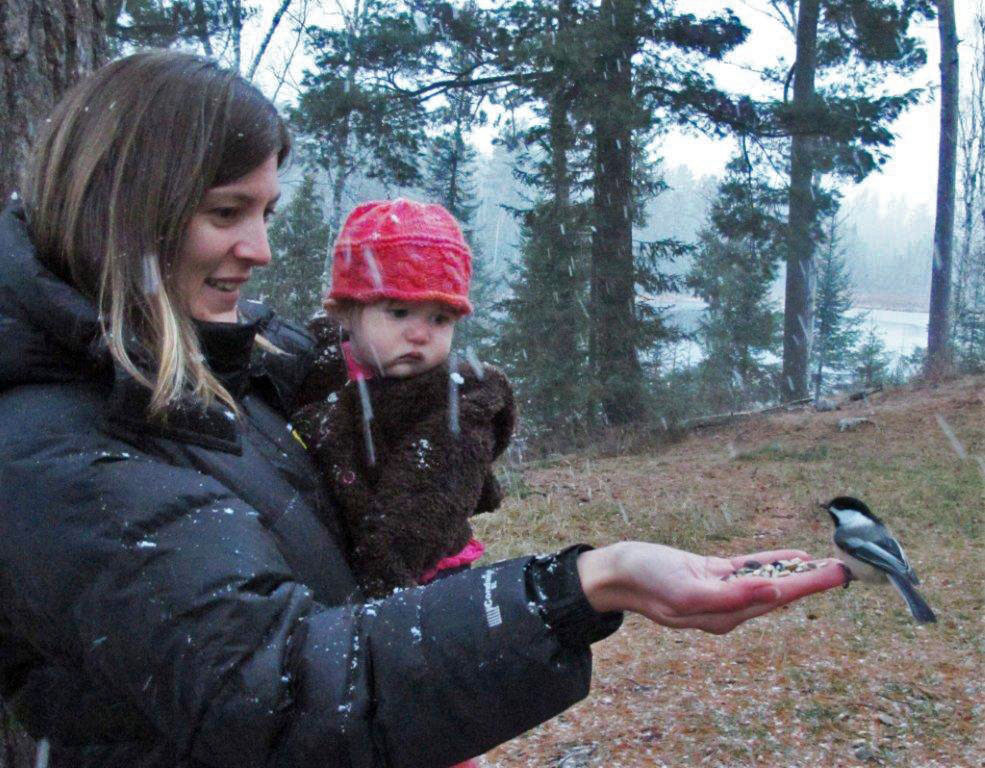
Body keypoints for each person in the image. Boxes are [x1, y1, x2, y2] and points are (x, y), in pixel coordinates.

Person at [0, 51, 847, 768]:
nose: (258, 249)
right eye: (226, 213)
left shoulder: (218, 369)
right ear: (128, 206)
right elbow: (278, 688)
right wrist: (581, 585)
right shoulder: (57, 450)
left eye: (265, 213)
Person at [291, 198, 516, 598]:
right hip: (336, 563)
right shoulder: (315, 367)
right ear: (345, 311)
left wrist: (382, 581)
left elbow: (427, 502)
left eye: (439, 319)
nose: (420, 334)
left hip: (421, 575)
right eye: (398, 312)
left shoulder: (455, 403)